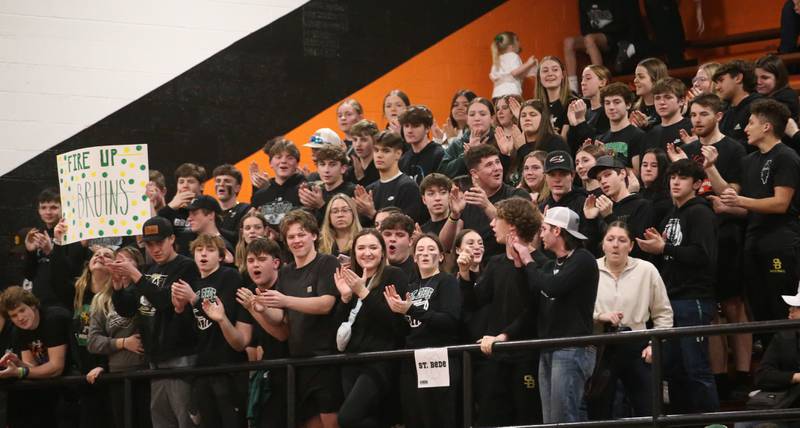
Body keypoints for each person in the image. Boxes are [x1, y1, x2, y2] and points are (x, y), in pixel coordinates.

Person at [677, 93, 752, 396]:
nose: (697, 120)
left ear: (719, 116)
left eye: (703, 114)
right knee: (711, 311)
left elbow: (730, 195)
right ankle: (719, 376)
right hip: (699, 237)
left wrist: (711, 168)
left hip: (728, 234)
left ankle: (744, 373)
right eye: (693, 114)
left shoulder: (733, 149)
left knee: (734, 305)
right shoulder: (688, 150)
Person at [637, 159, 720, 414]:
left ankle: (711, 421)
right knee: (673, 369)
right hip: (670, 299)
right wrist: (657, 247)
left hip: (693, 297)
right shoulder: (672, 214)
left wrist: (664, 248)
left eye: (682, 178)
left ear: (696, 184)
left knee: (696, 367)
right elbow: (670, 253)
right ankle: (681, 420)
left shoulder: (700, 212)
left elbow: (703, 255)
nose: (675, 181)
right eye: (673, 176)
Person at [108, 216, 200, 428]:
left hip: (181, 356)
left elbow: (164, 302)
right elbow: (127, 309)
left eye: (159, 242)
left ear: (172, 239)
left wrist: (136, 275)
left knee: (185, 420)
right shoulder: (149, 270)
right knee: (162, 422)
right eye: (150, 244)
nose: (155, 249)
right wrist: (118, 287)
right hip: (155, 359)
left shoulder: (186, 266)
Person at [509, 206, 598, 423]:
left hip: (571, 346)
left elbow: (553, 288)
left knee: (564, 416)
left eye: (545, 229)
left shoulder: (583, 259)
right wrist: (520, 266)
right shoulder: (550, 264)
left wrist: (528, 260)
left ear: (558, 231)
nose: (541, 235)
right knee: (550, 419)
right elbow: (530, 298)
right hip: (548, 345)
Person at [460, 197, 545, 426]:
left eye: (497, 219)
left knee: (527, 418)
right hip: (495, 355)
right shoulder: (496, 263)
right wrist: (465, 275)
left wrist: (504, 336)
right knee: (490, 417)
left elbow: (533, 310)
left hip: (526, 354)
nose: (492, 224)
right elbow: (474, 303)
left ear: (512, 226)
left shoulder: (540, 264)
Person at [719, 99, 800, 327]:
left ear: (766, 127)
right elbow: (745, 205)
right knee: (759, 308)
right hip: (752, 241)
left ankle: (790, 361)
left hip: (780, 241)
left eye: (751, 123)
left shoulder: (786, 156)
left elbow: (780, 204)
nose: (745, 128)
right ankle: (769, 361)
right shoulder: (748, 161)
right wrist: (728, 202)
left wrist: (740, 201)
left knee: (781, 307)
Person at [257, 210, 342, 428]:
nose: (296, 240)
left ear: (314, 235)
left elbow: (325, 304)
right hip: (298, 361)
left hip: (326, 358)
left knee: (330, 421)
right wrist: (260, 309)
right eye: (291, 237)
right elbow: (282, 320)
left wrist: (285, 300)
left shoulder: (327, 263)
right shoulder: (285, 272)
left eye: (301, 234)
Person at [589, 222, 673, 419]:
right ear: (603, 244)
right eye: (610, 240)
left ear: (631, 246)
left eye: (622, 240)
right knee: (599, 409)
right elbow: (579, 311)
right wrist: (599, 316)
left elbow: (663, 313)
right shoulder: (590, 268)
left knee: (649, 409)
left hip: (638, 344)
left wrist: (655, 344)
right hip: (602, 346)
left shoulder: (647, 269)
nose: (615, 245)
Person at [171, 234, 251, 428]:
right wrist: (179, 309)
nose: (203, 254)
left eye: (210, 250)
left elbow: (220, 316)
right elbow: (191, 331)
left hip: (228, 364)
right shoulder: (194, 284)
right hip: (203, 367)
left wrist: (194, 301)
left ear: (221, 256)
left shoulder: (229, 276)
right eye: (199, 250)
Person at [332, 229, 408, 428]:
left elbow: (393, 322)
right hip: (350, 360)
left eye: (373, 247)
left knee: (347, 418)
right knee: (366, 419)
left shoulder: (394, 275)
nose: (367, 252)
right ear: (354, 253)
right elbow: (338, 327)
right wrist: (345, 298)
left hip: (380, 362)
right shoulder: (351, 278)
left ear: (382, 252)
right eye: (361, 248)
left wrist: (363, 292)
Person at [385, 233, 461, 428]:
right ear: (415, 257)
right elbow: (405, 329)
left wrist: (410, 309)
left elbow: (450, 321)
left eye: (431, 249)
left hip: (439, 356)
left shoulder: (447, 281)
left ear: (441, 256)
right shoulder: (410, 287)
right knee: (414, 416)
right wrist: (395, 311)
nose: (425, 253)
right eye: (420, 250)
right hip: (411, 359)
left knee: (437, 417)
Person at [87, 246, 151, 428]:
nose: (121, 263)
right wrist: (122, 343)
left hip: (146, 368)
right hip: (116, 372)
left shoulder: (145, 292)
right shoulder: (101, 299)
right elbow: (93, 341)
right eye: (118, 259)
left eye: (127, 260)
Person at [0, 286, 73, 428]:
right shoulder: (20, 330)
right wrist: (18, 363)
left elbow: (56, 367)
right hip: (54, 395)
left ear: (33, 306)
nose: (20, 318)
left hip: (77, 388)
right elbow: (32, 367)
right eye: (14, 315)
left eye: (22, 310)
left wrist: (20, 371)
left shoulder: (53, 319)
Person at [235, 237, 289, 428]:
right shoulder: (249, 291)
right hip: (266, 371)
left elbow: (283, 334)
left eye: (261, 259)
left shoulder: (286, 284)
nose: (255, 265)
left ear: (276, 263)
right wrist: (221, 320)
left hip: (291, 368)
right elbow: (241, 341)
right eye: (250, 261)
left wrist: (254, 308)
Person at [441, 144, 529, 258]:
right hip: (474, 268)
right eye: (489, 165)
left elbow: (520, 234)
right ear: (474, 174)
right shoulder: (468, 199)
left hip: (510, 265)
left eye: (497, 162)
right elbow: (444, 246)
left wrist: (487, 206)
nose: (497, 168)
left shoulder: (517, 196)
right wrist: (454, 215)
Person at [24, 187, 86, 308]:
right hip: (39, 302)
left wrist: (51, 252)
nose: (48, 212)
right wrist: (30, 252)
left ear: (63, 209)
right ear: (38, 210)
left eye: (53, 207)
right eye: (43, 207)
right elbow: (29, 275)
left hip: (62, 304)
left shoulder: (72, 235)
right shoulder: (38, 234)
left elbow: (72, 272)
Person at [584, 155, 654, 257]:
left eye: (607, 175)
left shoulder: (642, 206)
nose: (603, 181)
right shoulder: (602, 209)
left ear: (622, 173)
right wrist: (590, 220)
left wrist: (609, 217)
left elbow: (637, 249)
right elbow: (592, 252)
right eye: (599, 179)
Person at [563, 0, 644, 87]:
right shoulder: (584, 2)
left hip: (613, 37)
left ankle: (599, 82)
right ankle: (572, 88)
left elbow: (621, 24)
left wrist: (596, 36)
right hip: (593, 37)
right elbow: (584, 27)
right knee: (568, 42)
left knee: (589, 39)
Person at [355, 130, 424, 224]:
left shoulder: (408, 187)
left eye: (385, 151)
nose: (379, 155)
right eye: (376, 150)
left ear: (398, 154)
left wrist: (372, 214)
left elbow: (406, 227)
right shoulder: (370, 189)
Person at [439, 97, 509, 178]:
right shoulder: (457, 144)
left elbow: (506, 175)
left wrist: (505, 155)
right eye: (472, 115)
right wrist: (467, 155)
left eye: (482, 114)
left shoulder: (501, 141)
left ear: (492, 118)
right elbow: (442, 174)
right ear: (467, 119)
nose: (477, 118)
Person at [251, 138, 307, 227]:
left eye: (290, 158)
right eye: (278, 157)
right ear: (270, 163)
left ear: (296, 164)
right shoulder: (260, 196)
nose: (283, 161)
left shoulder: (305, 191)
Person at [515, 99, 570, 181]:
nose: (527, 118)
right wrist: (506, 154)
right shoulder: (516, 143)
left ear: (543, 118)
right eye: (523, 115)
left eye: (532, 115)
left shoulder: (556, 142)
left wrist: (523, 148)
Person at [158, 163, 206, 255]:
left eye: (190, 182)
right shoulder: (171, 211)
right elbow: (159, 229)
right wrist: (170, 206)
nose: (185, 185)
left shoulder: (208, 209)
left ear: (201, 186)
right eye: (181, 182)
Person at [597, 82, 645, 173]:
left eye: (616, 102)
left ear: (628, 105)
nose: (611, 107)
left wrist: (609, 158)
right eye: (607, 103)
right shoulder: (600, 139)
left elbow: (637, 173)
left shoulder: (638, 135)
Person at [299, 145, 355, 222]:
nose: (326, 170)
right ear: (317, 168)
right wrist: (307, 208)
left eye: (332, 164)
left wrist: (321, 205)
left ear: (343, 168)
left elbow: (347, 223)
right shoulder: (316, 192)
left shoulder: (352, 192)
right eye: (322, 164)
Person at [713, 60, 761, 146]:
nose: (717, 87)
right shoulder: (723, 111)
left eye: (721, 80)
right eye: (716, 83)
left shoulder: (759, 106)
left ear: (738, 78)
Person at [567, 65, 612, 153]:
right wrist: (573, 124)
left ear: (602, 82)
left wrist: (581, 121)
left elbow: (595, 147)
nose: (582, 83)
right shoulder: (585, 112)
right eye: (582, 79)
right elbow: (572, 149)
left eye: (588, 78)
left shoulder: (608, 112)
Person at [642, 77, 693, 153]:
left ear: (682, 101)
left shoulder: (692, 127)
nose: (661, 102)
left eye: (668, 97)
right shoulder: (650, 134)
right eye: (657, 98)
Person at [398, 105, 445, 184]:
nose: (409, 130)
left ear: (427, 128)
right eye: (406, 126)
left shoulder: (439, 155)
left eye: (415, 126)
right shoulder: (403, 160)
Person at [534, 56, 576, 138]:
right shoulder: (536, 107)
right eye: (545, 71)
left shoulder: (572, 103)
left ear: (563, 75)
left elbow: (564, 142)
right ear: (539, 77)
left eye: (555, 70)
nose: (550, 74)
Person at [186, 195, 235, 261]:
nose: (189, 218)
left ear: (211, 215)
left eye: (194, 214)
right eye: (189, 214)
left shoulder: (223, 246)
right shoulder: (185, 239)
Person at [489, 31, 537, 99]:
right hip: (511, 92)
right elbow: (514, 73)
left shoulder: (497, 59)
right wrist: (528, 63)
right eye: (517, 41)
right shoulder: (513, 56)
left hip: (496, 94)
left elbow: (494, 76)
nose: (519, 43)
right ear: (511, 47)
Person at [755, 54, 799, 120]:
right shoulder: (759, 95)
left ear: (778, 78)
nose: (758, 82)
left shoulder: (788, 97)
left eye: (765, 78)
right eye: (756, 77)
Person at [212, 164, 250, 238]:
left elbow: (239, 237)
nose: (221, 184)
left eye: (227, 181)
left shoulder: (245, 210)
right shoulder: (209, 212)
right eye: (218, 181)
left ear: (237, 188)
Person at [630, 58, 669, 130]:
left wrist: (647, 126)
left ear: (655, 80)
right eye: (635, 76)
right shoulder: (634, 110)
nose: (635, 81)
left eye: (641, 77)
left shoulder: (667, 109)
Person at [639, 148, 673, 228]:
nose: (648, 169)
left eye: (654, 166)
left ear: (662, 168)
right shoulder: (638, 193)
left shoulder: (666, 197)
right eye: (644, 165)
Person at [379, 213, 417, 279]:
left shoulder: (419, 271)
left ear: (410, 241)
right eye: (387, 234)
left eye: (399, 235)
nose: (392, 239)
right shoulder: (372, 268)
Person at [345, 119, 380, 187]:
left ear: (374, 141)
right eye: (355, 140)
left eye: (363, 140)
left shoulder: (381, 167)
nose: (358, 144)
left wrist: (361, 178)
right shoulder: (351, 170)